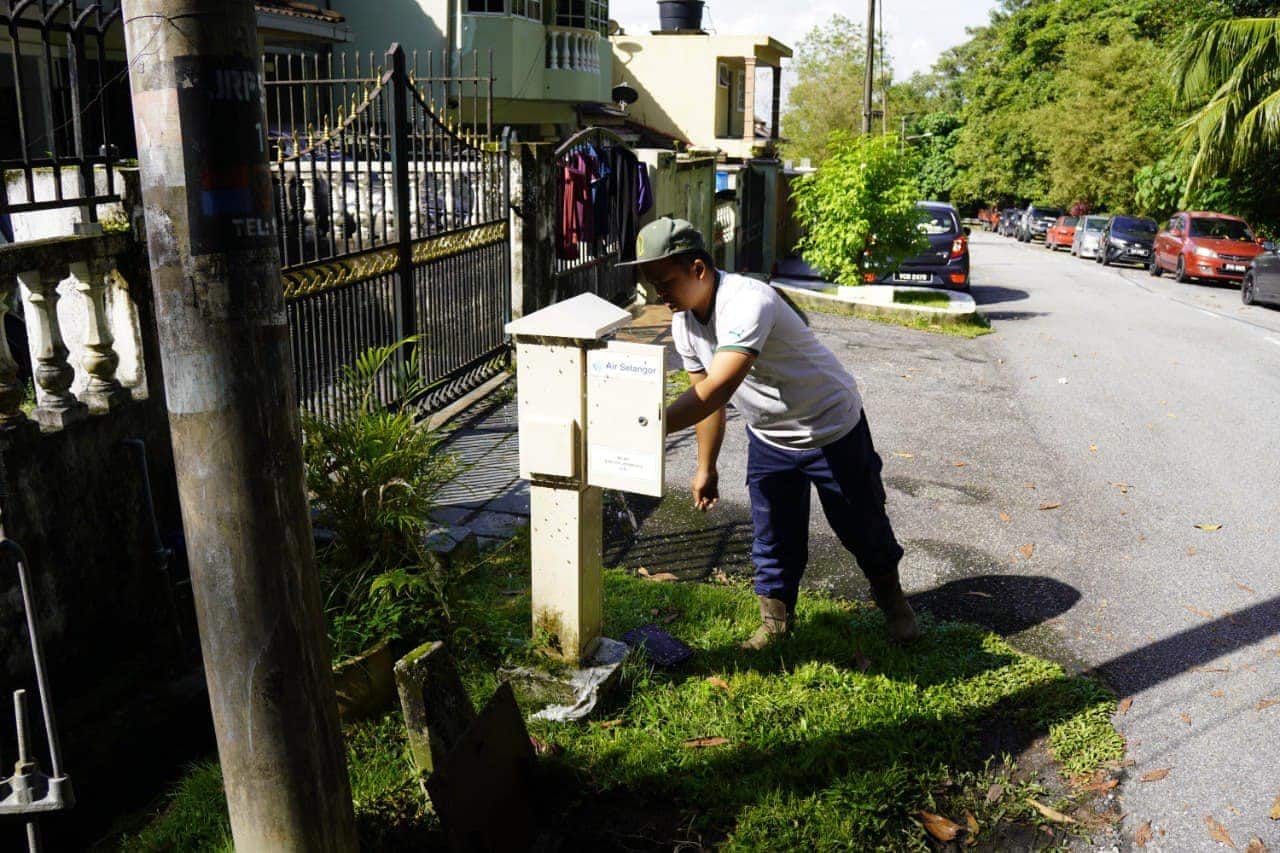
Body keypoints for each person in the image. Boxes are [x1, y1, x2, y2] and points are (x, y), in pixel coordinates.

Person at [620, 217, 919, 649]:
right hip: (771, 437)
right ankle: (776, 623)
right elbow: (707, 400)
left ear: (699, 269)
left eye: (665, 281)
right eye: (652, 284)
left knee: (862, 525)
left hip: (831, 427)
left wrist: (645, 427)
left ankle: (895, 606)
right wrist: (706, 466)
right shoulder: (685, 321)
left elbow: (719, 386)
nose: (658, 294)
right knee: (773, 535)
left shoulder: (748, 301)